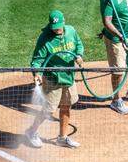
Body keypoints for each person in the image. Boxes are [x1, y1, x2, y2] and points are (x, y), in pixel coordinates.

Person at [25, 9, 84, 149]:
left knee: (66, 105)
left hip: (68, 77)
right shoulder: (45, 38)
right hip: (52, 79)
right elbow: (37, 59)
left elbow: (79, 45)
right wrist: (37, 73)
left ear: (64, 23)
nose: (56, 30)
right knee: (49, 110)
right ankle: (31, 131)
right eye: (54, 28)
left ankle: (62, 138)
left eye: (59, 28)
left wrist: (79, 55)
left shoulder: (71, 31)